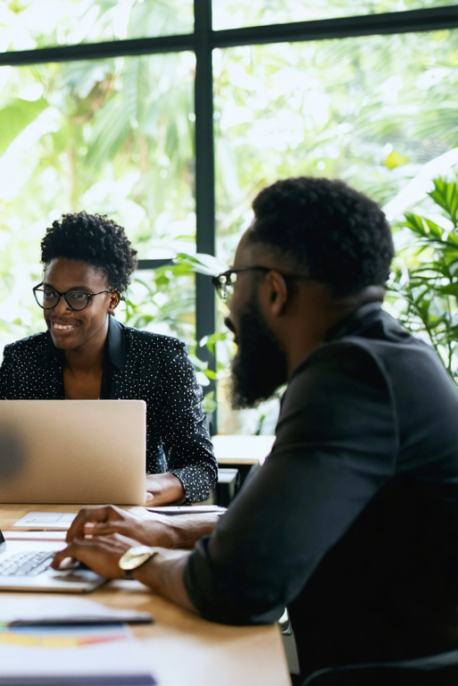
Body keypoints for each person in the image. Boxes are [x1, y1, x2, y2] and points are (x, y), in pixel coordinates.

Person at [53, 178, 458, 680]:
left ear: (273, 289)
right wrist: (161, 528)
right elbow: (274, 526)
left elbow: (235, 585)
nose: (227, 314)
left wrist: (135, 558)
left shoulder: (349, 378)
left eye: (231, 282)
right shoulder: (384, 359)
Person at [0, 212, 217, 505]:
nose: (59, 309)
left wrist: (137, 490)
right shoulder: (23, 359)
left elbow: (201, 470)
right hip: (36, 517)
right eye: (50, 293)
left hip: (130, 522)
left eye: (78, 296)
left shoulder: (160, 359)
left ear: (112, 299)